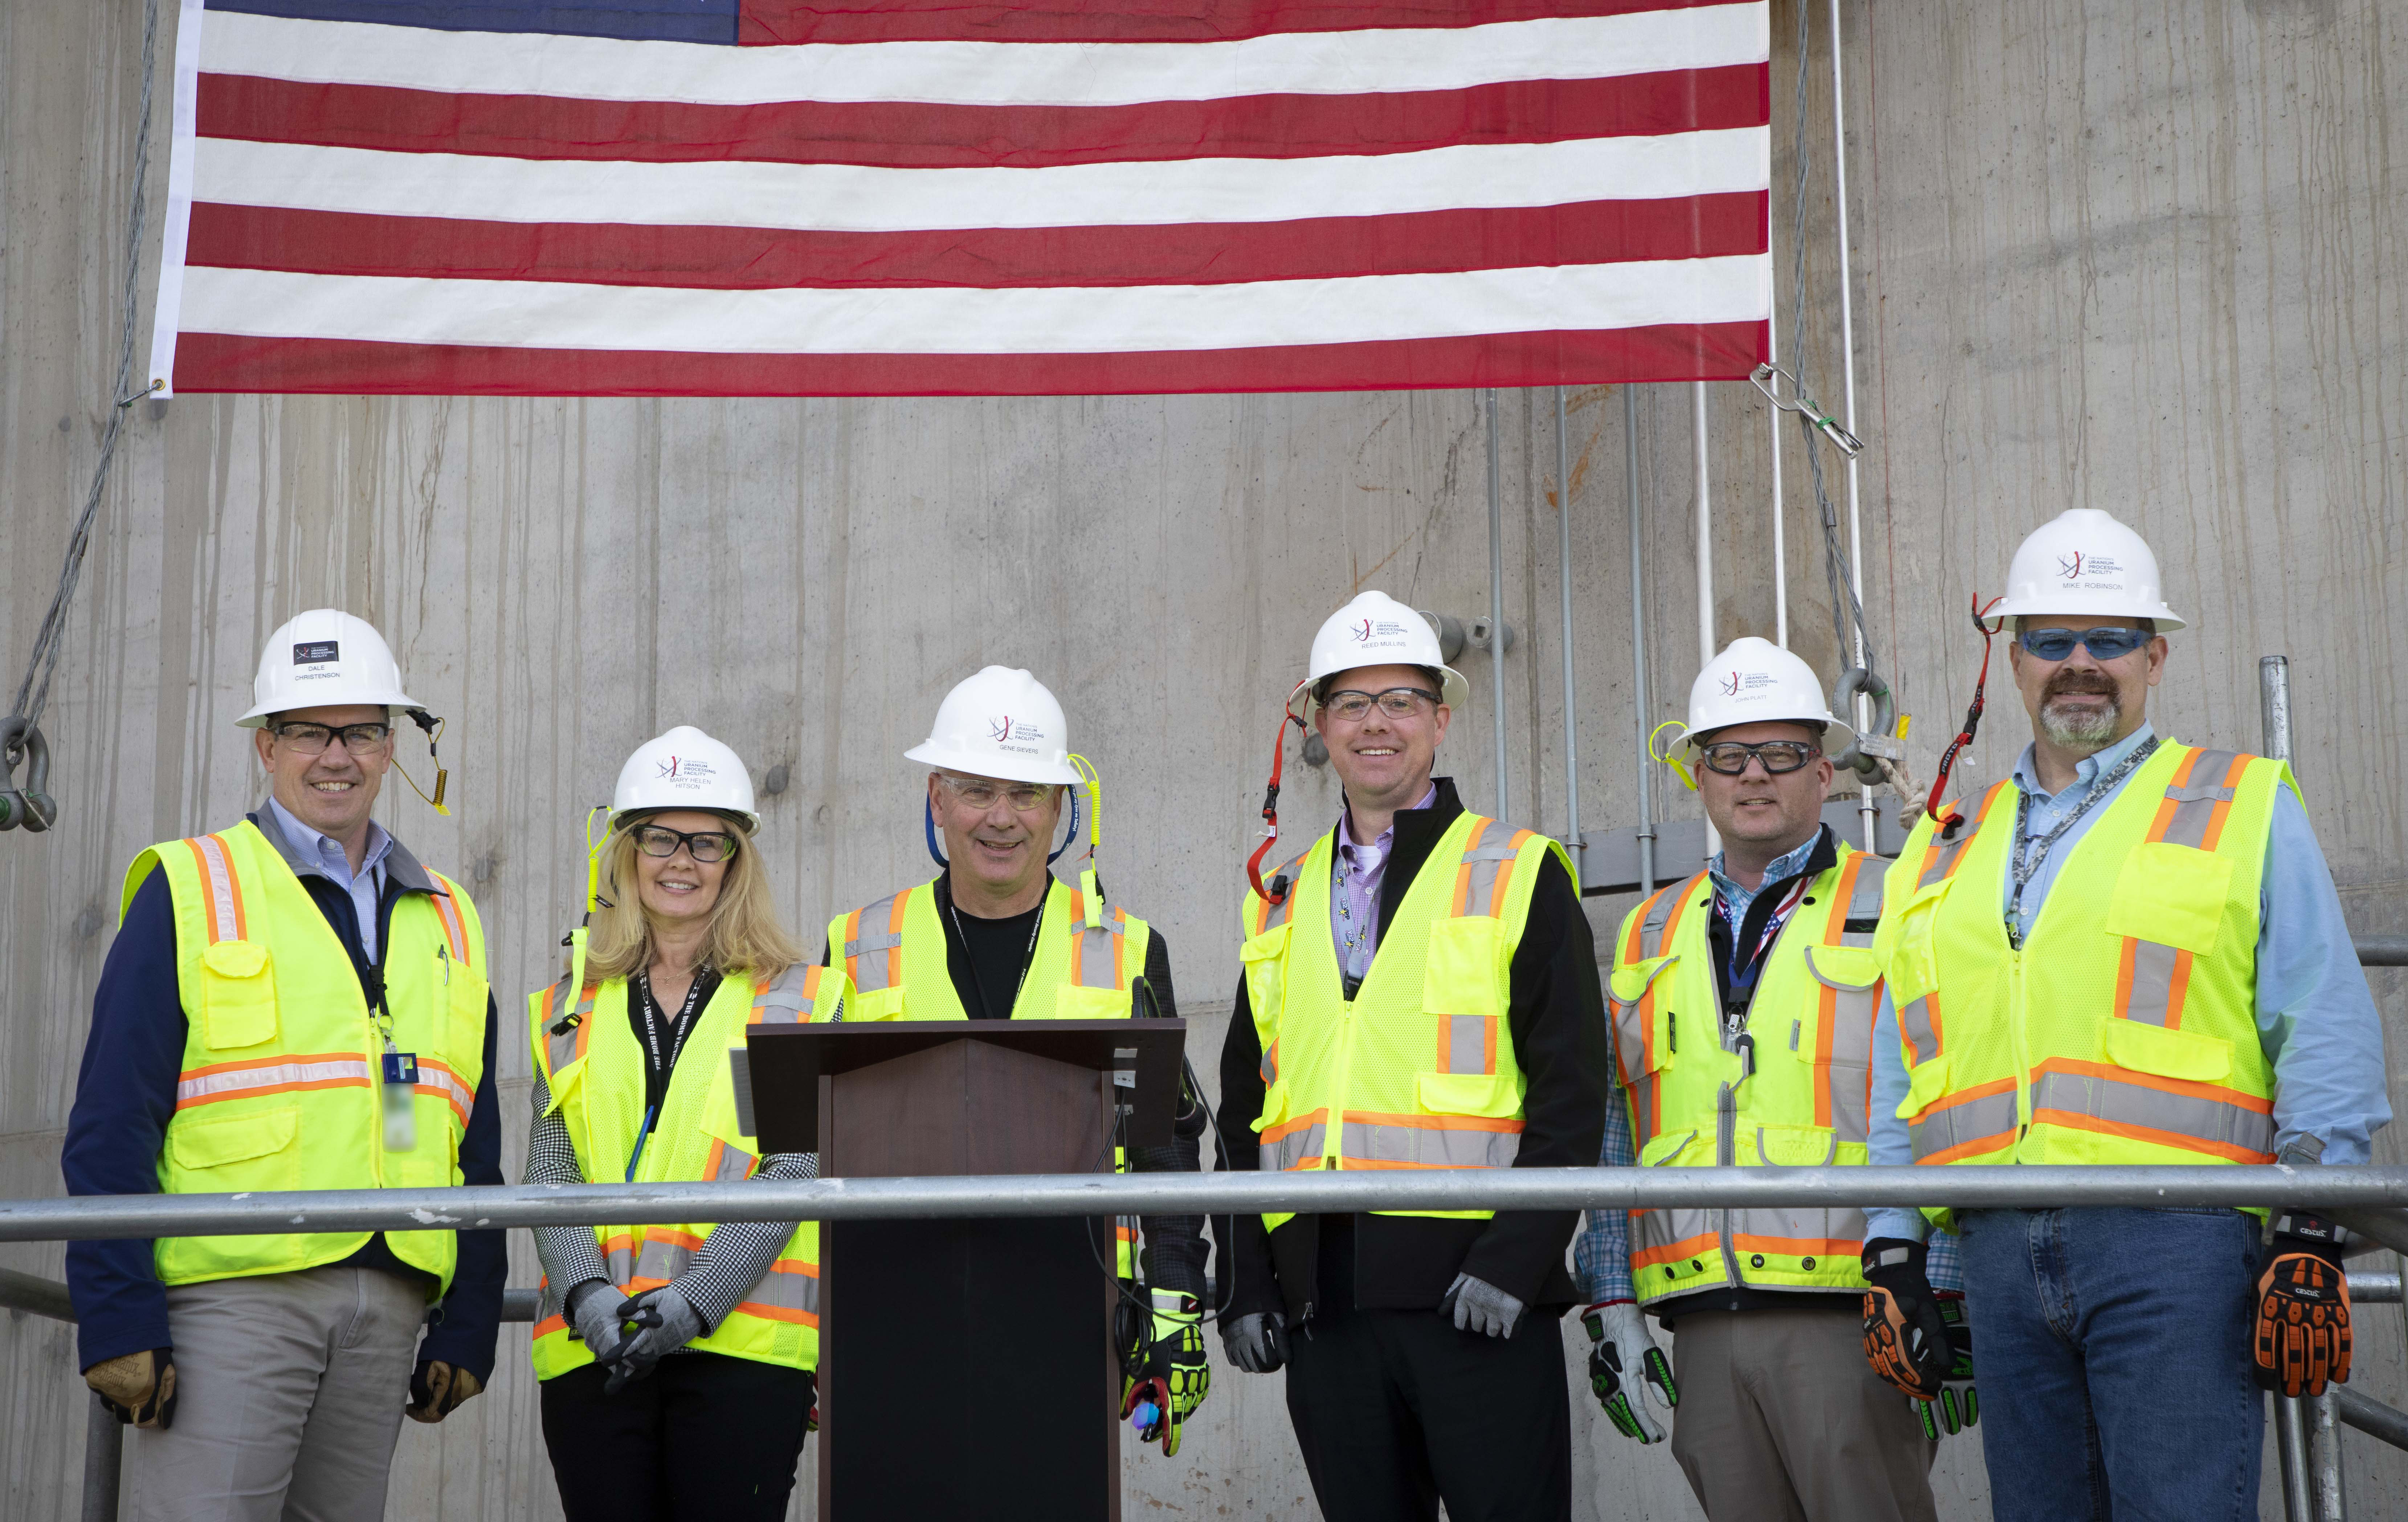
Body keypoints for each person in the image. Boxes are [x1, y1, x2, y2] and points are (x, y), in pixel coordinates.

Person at [1862, 508, 2391, 1518]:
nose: (2079, 664)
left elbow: (2319, 1014)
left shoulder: (2237, 802)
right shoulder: (1944, 848)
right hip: (1999, 1253)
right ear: (2013, 659)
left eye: (2107, 639)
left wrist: (2314, 1218)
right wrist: (1894, 1243)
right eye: (2051, 640)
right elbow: (1908, 1059)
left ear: (2154, 655)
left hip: (2178, 1242)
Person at [62, 608, 505, 1522]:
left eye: (362, 730)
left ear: (393, 748)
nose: (335, 754)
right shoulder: (193, 887)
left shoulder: (450, 914)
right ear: (266, 745)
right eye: (309, 730)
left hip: (389, 1300)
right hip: (233, 1295)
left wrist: (469, 1313)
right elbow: (113, 1116)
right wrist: (117, 1310)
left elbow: (473, 1133)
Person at [1216, 590, 1605, 1522]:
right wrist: (1247, 1281)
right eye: (1352, 702)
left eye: (1400, 700)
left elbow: (1573, 1092)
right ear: (1319, 725)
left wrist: (1516, 1261)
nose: (1376, 723)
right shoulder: (1282, 897)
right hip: (1326, 1312)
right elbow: (1244, 1106)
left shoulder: (1517, 870)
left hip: (1479, 1300)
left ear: (1439, 718)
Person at [1573, 637, 1946, 1521]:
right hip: (1699, 1316)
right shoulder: (1648, 930)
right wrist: (1612, 1296)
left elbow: (1947, 1091)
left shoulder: (1900, 901)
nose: (1754, 775)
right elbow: (1616, 1125)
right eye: (1728, 754)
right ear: (1698, 774)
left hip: (1855, 1309)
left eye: (1780, 753)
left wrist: (1953, 1283)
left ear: (1824, 771)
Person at [821, 665, 1211, 1453]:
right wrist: (808, 1332)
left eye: (1027, 793)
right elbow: (809, 1144)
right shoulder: (855, 946)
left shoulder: (1129, 948)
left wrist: (1174, 1297)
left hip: (1073, 1306)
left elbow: (1168, 1140)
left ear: (1062, 808)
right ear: (937, 798)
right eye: (976, 790)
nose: (1001, 818)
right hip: (894, 1305)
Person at [526, 726, 833, 1521]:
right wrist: (587, 1294)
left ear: (738, 860)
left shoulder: (794, 997)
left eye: (707, 842)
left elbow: (792, 1169)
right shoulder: (573, 1001)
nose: (682, 861)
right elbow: (550, 1166)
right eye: (660, 837)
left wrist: (695, 1301)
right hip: (593, 1340)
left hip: (742, 1348)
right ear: (626, 852)